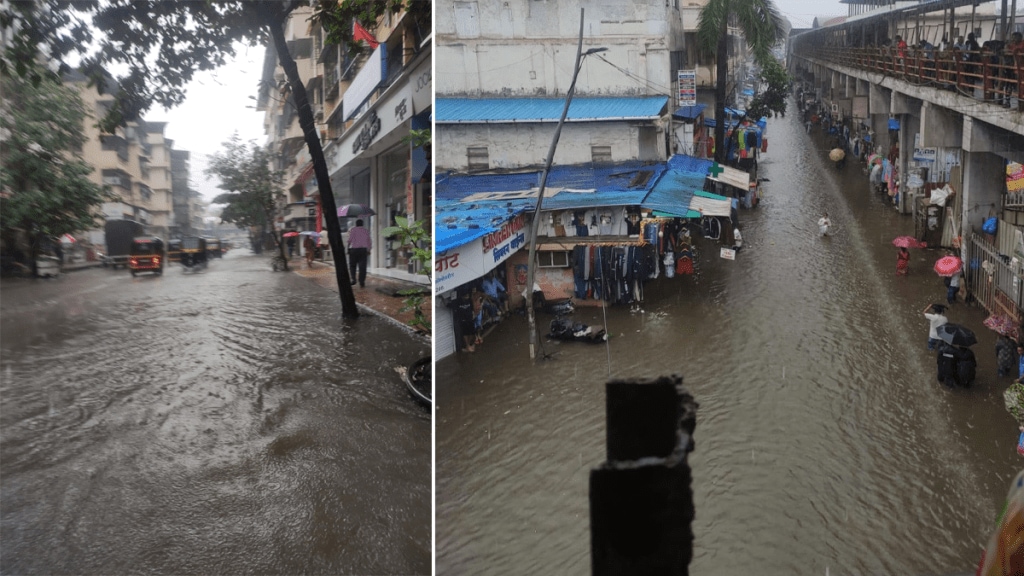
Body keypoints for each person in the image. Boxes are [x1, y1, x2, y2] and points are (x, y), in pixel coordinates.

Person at [347, 218, 371, 288]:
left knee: (352, 265)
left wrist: (348, 249)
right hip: (363, 250)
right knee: (362, 267)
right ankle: (362, 281)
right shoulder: (366, 231)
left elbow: (349, 240)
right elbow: (369, 241)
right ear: (362, 224)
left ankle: (353, 279)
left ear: (356, 224)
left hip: (353, 250)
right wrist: (369, 250)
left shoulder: (353, 230)